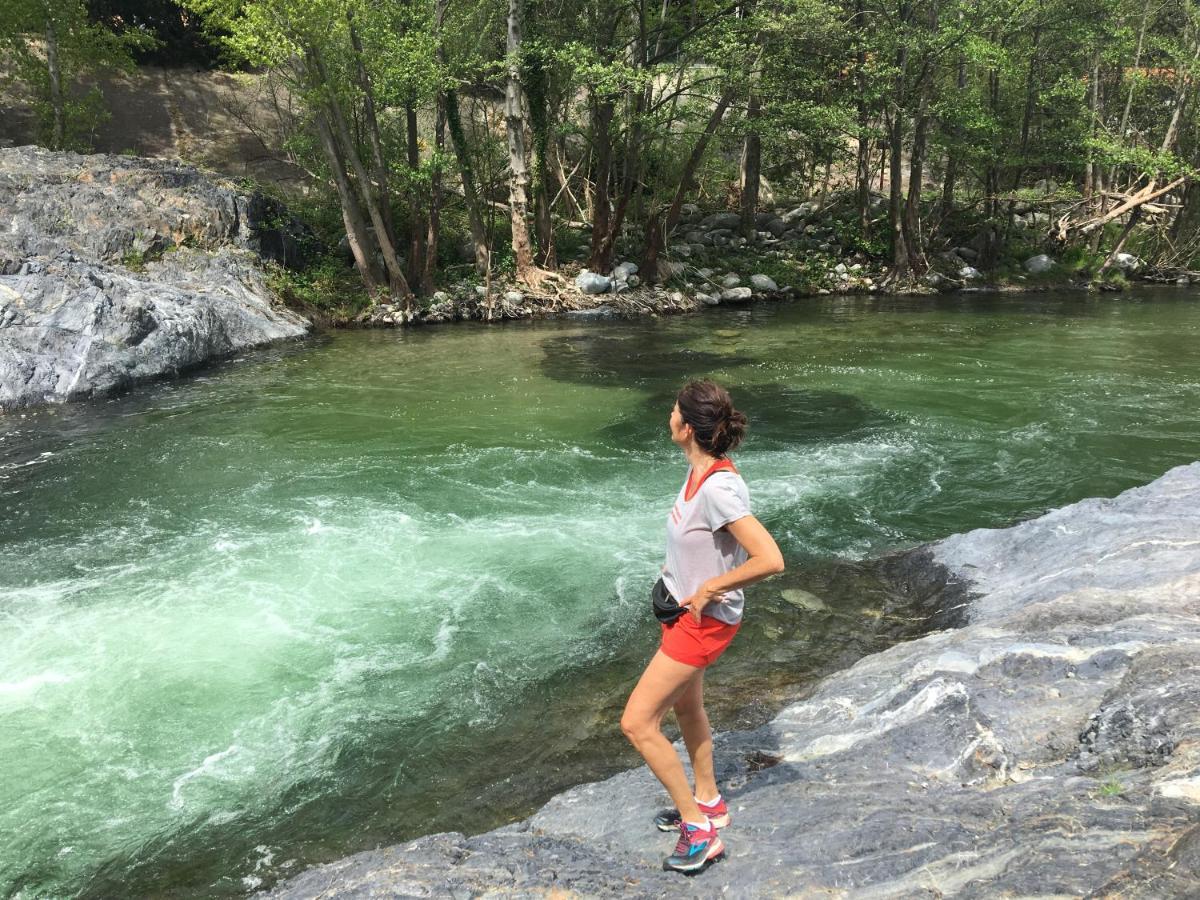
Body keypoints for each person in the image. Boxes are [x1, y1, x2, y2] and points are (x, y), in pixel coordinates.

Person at [620, 379, 785, 874]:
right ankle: (709, 800)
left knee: (637, 723)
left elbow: (770, 559)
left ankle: (699, 830)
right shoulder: (698, 473)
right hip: (681, 615)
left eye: (673, 411)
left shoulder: (718, 488)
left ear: (687, 427)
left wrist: (711, 588)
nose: (667, 416)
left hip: (704, 623)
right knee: (688, 707)